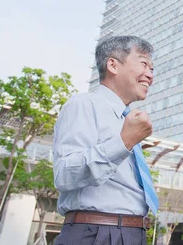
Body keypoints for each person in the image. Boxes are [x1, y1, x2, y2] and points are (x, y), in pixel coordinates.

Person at [53, 36, 158, 245]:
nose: (150, 75)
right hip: (96, 233)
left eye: (152, 69)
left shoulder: (128, 119)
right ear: (113, 65)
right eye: (144, 64)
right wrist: (123, 142)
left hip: (132, 233)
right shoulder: (83, 104)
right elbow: (64, 175)